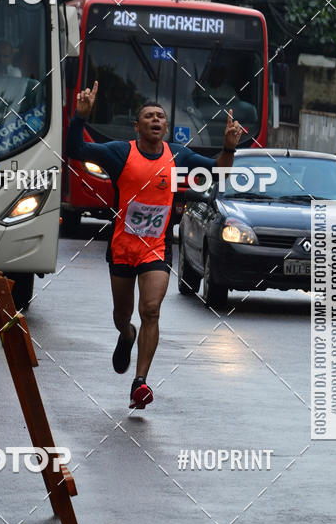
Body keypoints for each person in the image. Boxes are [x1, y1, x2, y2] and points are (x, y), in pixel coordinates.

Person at [66, 80, 243, 410]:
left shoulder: (178, 155)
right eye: (149, 116)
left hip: (155, 248)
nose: (156, 120)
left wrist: (229, 147)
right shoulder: (121, 152)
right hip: (122, 247)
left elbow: (220, 172)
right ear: (138, 126)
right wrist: (81, 117)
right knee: (123, 314)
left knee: (150, 309)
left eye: (160, 116)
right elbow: (76, 150)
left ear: (166, 126)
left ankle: (140, 382)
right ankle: (126, 334)